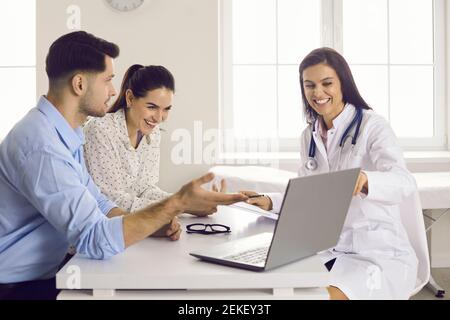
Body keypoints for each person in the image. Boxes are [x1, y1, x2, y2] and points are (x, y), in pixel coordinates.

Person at [0, 31, 246, 300]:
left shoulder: (64, 134)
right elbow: (94, 237)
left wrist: (154, 221)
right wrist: (176, 204)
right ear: (79, 84)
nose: (113, 90)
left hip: (50, 272)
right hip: (19, 286)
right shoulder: (42, 145)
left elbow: (100, 204)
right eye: (108, 80)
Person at [242, 47, 418, 300]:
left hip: (376, 251)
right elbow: (309, 196)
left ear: (343, 84)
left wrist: (367, 180)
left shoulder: (373, 126)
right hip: (328, 248)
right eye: (309, 85)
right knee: (270, 292)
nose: (318, 93)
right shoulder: (309, 136)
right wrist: (269, 200)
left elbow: (404, 183)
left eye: (327, 83)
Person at [83, 65, 176, 211]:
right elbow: (110, 199)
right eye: (152, 107)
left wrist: (185, 201)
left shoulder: (153, 133)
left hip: (130, 223)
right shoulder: (101, 130)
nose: (159, 118)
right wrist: (176, 206)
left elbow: (145, 189)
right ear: (130, 98)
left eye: (166, 109)